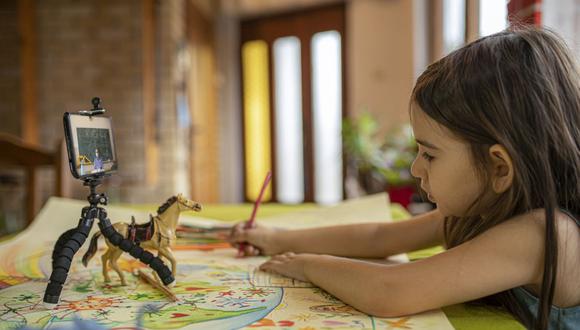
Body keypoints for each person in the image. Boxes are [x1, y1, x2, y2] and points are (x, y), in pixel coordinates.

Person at [229, 27, 580, 330]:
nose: (415, 169)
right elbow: (378, 236)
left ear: (499, 168)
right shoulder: (483, 209)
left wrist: (304, 265)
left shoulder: (546, 234)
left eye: (429, 154)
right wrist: (276, 238)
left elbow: (392, 291)